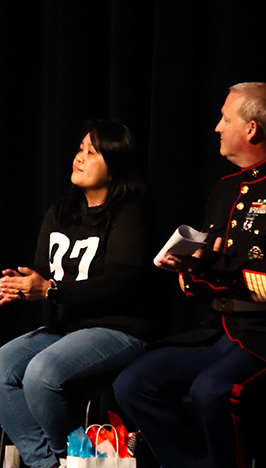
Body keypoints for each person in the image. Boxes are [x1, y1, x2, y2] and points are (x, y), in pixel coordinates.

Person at [113, 82, 266, 468]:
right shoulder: (225, 187)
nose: (216, 127)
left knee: (211, 391)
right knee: (133, 385)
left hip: (259, 334)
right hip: (217, 328)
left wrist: (206, 267)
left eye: (225, 119)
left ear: (251, 129)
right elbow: (205, 267)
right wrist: (185, 267)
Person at [0, 120, 150, 468]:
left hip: (117, 329)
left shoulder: (130, 213)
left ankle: (74, 459)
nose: (80, 157)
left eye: (92, 152)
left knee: (42, 374)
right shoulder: (61, 211)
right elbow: (43, 273)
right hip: (64, 328)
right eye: (80, 148)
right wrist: (23, 284)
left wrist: (49, 289)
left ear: (115, 165)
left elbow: (120, 283)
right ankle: (47, 464)